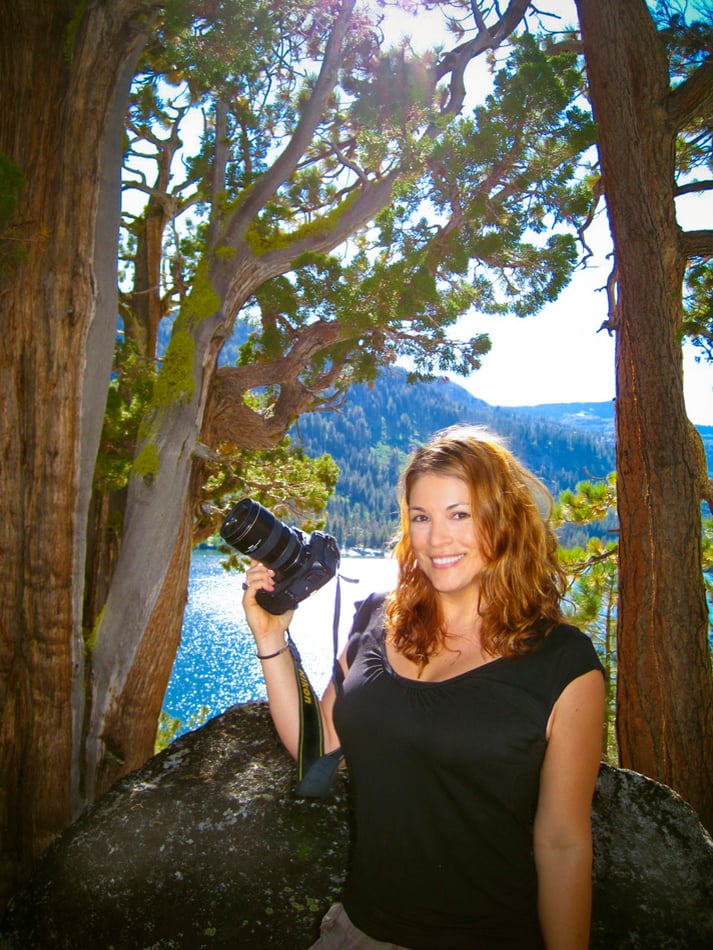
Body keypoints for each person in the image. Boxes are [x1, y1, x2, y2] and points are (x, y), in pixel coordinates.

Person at [242, 425, 606, 950]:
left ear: (503, 519)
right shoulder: (376, 618)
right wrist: (271, 638)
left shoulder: (562, 663)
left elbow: (563, 843)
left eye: (460, 515)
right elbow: (317, 748)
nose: (437, 539)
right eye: (421, 517)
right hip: (357, 932)